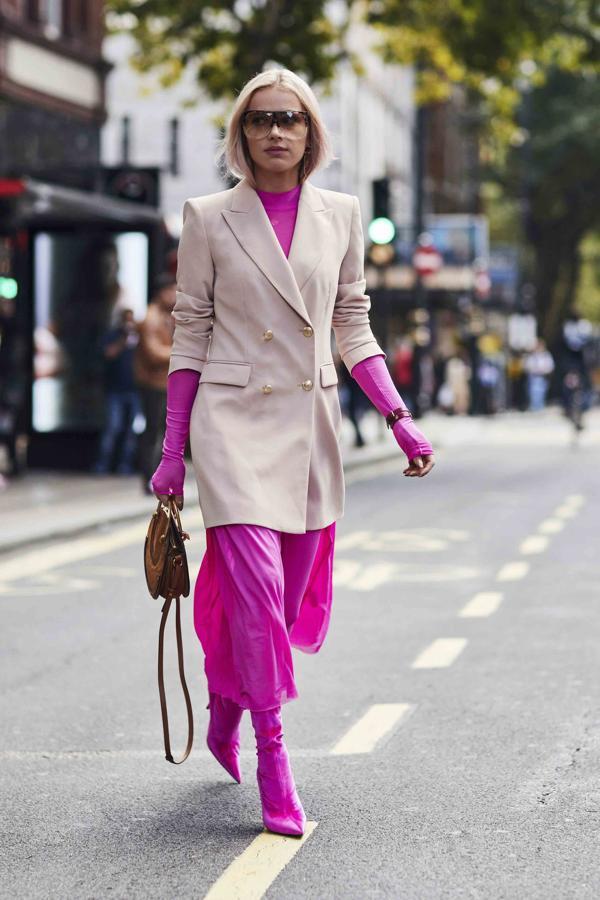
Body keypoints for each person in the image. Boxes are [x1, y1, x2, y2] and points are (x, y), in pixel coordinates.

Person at [150, 68, 435, 837]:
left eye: (292, 119)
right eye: (260, 120)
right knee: (251, 582)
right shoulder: (209, 217)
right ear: (240, 135)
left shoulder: (340, 215)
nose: (276, 131)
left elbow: (352, 322)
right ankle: (274, 759)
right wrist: (174, 451)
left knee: (279, 600)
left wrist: (399, 417)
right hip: (231, 420)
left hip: (309, 425)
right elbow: (191, 332)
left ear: (312, 133)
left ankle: (227, 694)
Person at [134, 274, 176, 493]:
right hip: (153, 383)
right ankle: (149, 477)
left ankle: (159, 476)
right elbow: (153, 352)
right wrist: (180, 352)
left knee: (164, 432)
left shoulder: (169, 316)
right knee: (153, 432)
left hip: (165, 382)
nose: (174, 295)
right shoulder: (151, 318)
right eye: (170, 290)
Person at [93, 308, 141, 474]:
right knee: (113, 427)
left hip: (134, 390)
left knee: (131, 431)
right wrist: (122, 341)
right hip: (115, 390)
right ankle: (103, 464)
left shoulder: (138, 338)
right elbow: (108, 354)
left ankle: (125, 465)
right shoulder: (113, 336)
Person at [524, 339, 554, 412]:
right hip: (534, 376)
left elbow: (551, 366)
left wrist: (545, 370)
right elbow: (527, 366)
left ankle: (540, 407)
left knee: (542, 392)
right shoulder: (532, 356)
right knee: (533, 392)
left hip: (543, 376)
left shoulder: (546, 355)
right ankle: (534, 407)